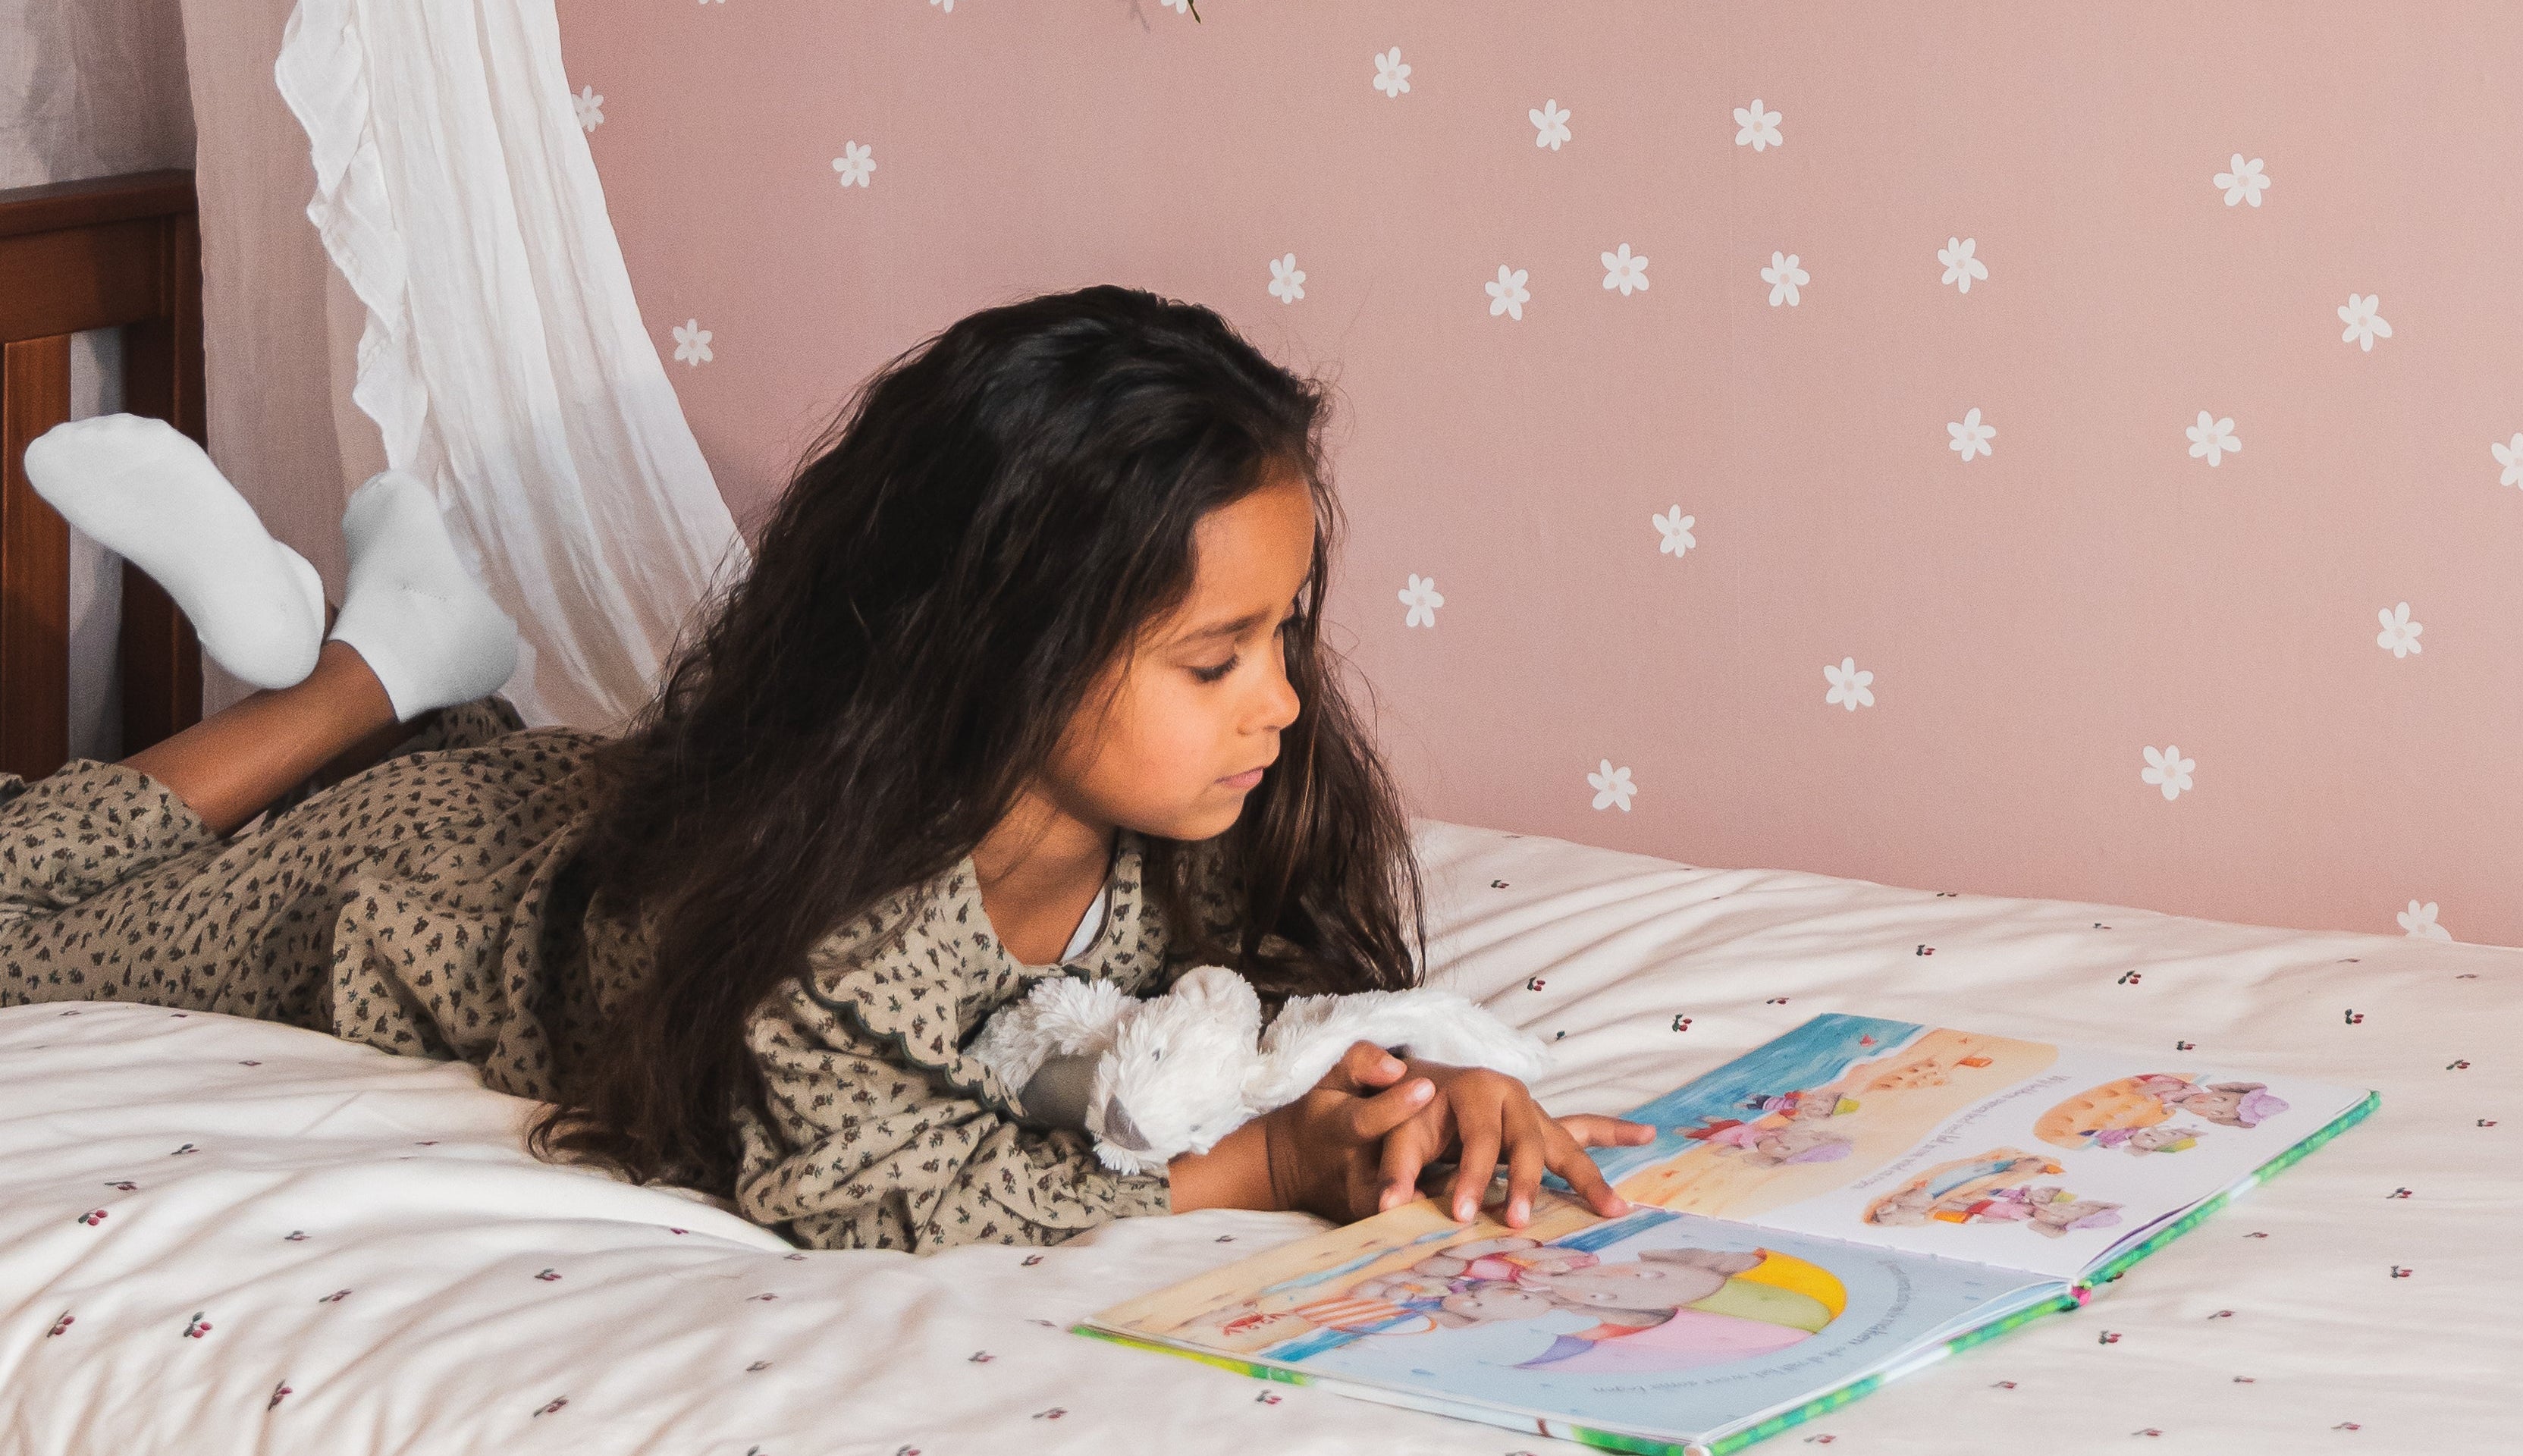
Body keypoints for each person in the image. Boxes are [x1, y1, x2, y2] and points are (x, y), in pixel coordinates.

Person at [0, 284, 1643, 1252]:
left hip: (586, 811)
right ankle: (361, 673)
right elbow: (860, 1176)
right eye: (1214, 659)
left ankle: (400, 652)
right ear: (996, 646)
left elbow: (1293, 994)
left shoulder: (1204, 814)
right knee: (24, 914)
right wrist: (1263, 1165)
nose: (1278, 702)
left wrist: (1424, 1070)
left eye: (1283, 631)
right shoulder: (849, 908)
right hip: (404, 886)